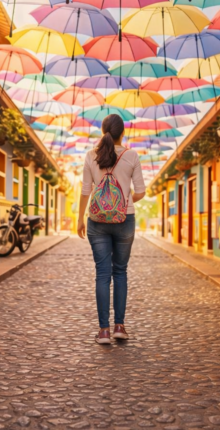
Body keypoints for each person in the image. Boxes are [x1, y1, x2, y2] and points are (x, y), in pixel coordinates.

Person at [77, 114, 145, 345]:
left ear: (103, 132)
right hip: (125, 219)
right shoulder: (131, 155)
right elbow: (141, 191)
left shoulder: (91, 155)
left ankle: (104, 331)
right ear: (122, 133)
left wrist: (80, 218)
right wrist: (123, 203)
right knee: (120, 272)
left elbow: (86, 190)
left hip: (97, 220)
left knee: (102, 274)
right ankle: (119, 327)